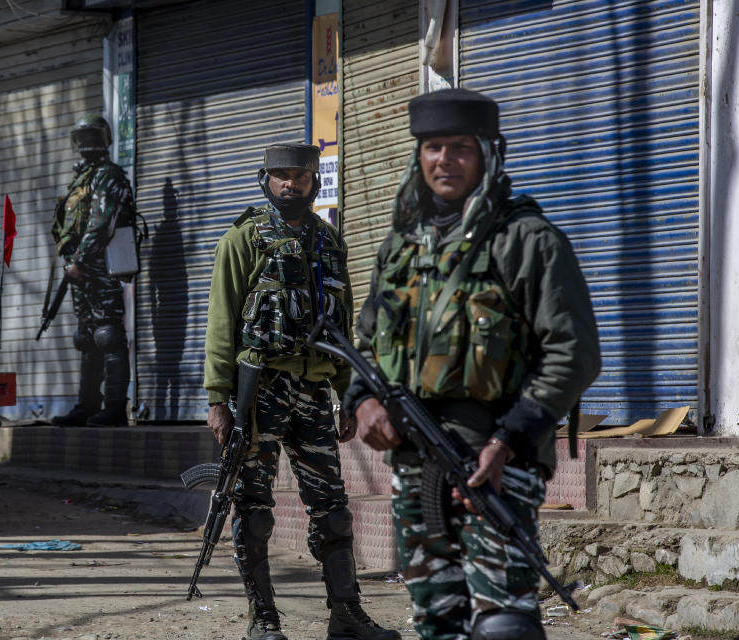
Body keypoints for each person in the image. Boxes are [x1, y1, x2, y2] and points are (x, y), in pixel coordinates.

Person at [343, 88, 601, 640]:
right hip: (416, 464)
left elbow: (574, 352)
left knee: (503, 622)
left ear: (487, 152)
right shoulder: (401, 248)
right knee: (436, 617)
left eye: (459, 147)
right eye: (433, 148)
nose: (444, 160)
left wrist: (508, 439)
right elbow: (363, 345)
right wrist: (362, 401)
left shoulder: (527, 241)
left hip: (497, 465)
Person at [203, 143, 400, 640]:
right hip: (259, 392)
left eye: (301, 175)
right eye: (280, 175)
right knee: (254, 509)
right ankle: (263, 619)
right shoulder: (243, 239)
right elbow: (222, 323)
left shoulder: (330, 244)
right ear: (264, 178)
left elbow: (342, 330)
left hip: (313, 393)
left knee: (333, 510)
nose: (291, 183)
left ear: (315, 181)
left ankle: (346, 615)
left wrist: (348, 394)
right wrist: (217, 401)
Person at [50, 113, 135, 428]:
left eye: (91, 138)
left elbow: (102, 222)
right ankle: (86, 406)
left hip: (100, 267)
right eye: (81, 139)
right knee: (86, 337)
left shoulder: (108, 176)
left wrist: (80, 260)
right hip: (80, 269)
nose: (86, 145)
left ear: (104, 141)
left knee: (108, 334)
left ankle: (114, 409)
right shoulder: (81, 179)